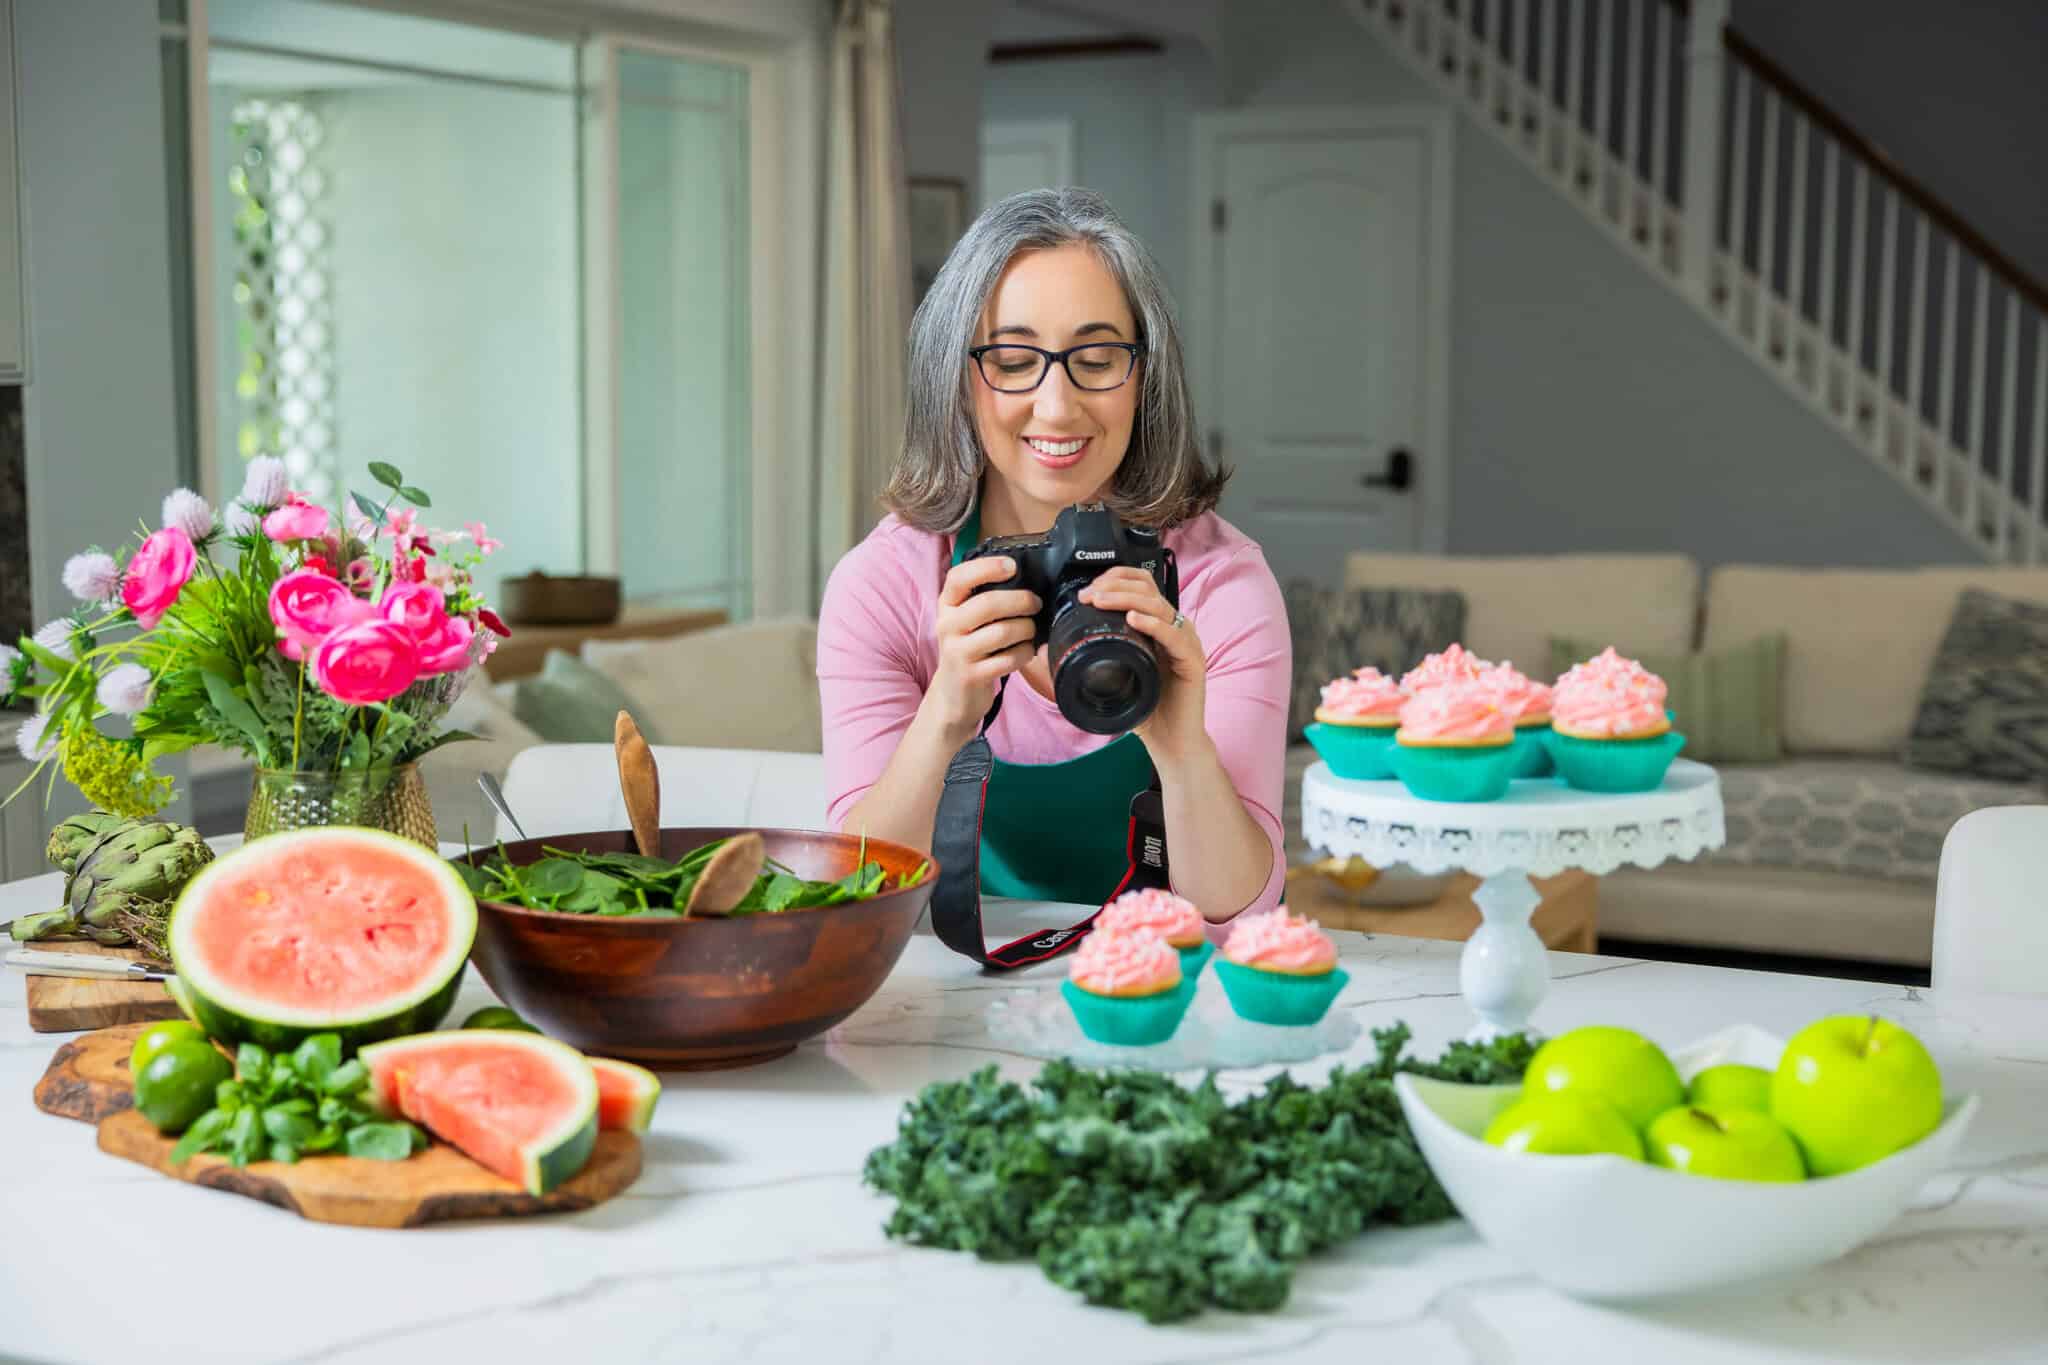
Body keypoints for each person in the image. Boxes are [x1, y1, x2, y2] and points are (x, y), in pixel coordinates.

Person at [817, 187, 1289, 930]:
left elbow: (1237, 914)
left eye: (1097, 359)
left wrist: (1182, 750)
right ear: (959, 377)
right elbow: (854, 904)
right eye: (1011, 360)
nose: (1058, 405)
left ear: (1145, 376)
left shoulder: (1220, 585)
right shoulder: (882, 587)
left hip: (1162, 998)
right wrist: (946, 712)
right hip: (947, 1009)